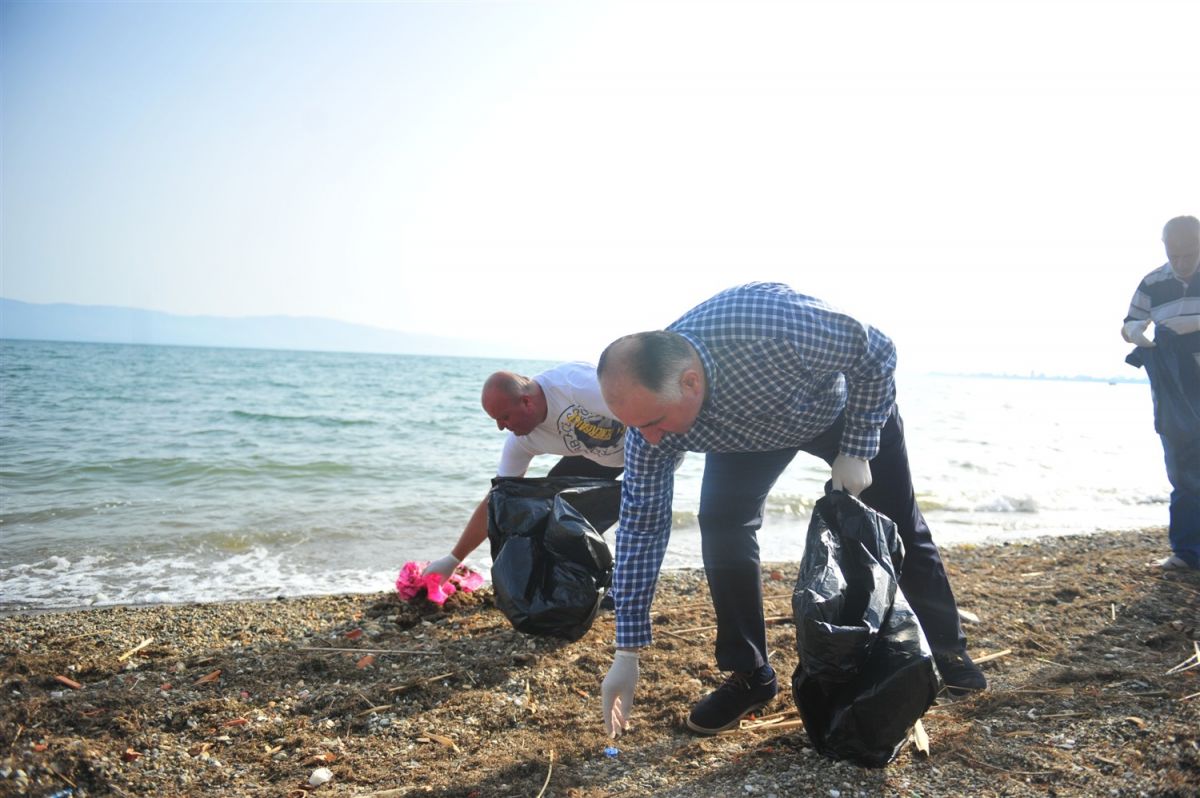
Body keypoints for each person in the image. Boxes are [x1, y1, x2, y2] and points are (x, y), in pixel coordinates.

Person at [595, 281, 987, 738]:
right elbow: (642, 528)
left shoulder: (773, 325)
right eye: (637, 428)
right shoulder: (648, 433)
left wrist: (858, 447)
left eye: (655, 422)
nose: (651, 439)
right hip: (743, 439)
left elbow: (876, 352)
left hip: (836, 410)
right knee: (722, 525)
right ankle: (751, 675)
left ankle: (947, 650)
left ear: (690, 382)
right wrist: (628, 650)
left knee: (900, 522)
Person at [421, 363, 626, 582]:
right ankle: (595, 578)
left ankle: (628, 582)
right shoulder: (521, 441)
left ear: (527, 401)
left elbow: (646, 404)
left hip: (646, 438)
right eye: (496, 420)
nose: (500, 427)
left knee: (637, 517)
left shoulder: (574, 384)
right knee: (553, 511)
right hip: (596, 456)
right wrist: (453, 559)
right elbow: (498, 498)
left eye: (505, 417)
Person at [1121, 215, 1200, 571]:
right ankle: (1185, 551)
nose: (1181, 263)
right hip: (1172, 391)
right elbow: (1128, 325)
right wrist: (1135, 331)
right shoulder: (1153, 282)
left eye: (1189, 255)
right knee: (1182, 468)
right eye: (1175, 255)